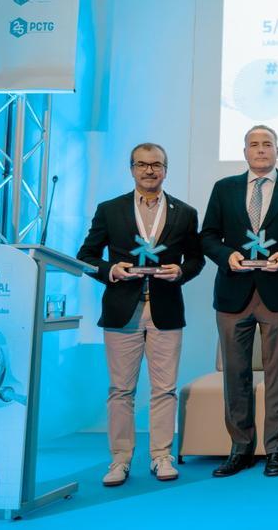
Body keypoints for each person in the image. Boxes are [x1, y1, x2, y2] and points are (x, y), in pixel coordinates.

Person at [76, 143, 205, 486]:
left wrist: (180, 272)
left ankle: (161, 456)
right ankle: (119, 460)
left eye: (156, 165)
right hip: (123, 309)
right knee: (121, 389)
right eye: (142, 165)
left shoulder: (185, 212)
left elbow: (196, 260)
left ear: (166, 169)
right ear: (131, 168)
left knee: (164, 389)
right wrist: (111, 269)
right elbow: (86, 255)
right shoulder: (110, 209)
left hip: (165, 309)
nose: (150, 171)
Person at [200, 125, 278, 478]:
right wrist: (226, 256)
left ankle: (276, 450)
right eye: (254, 144)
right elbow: (207, 236)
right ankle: (240, 448)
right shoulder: (224, 188)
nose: (261, 150)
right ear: (245, 151)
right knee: (236, 376)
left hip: (277, 294)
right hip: (233, 293)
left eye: (267, 144)